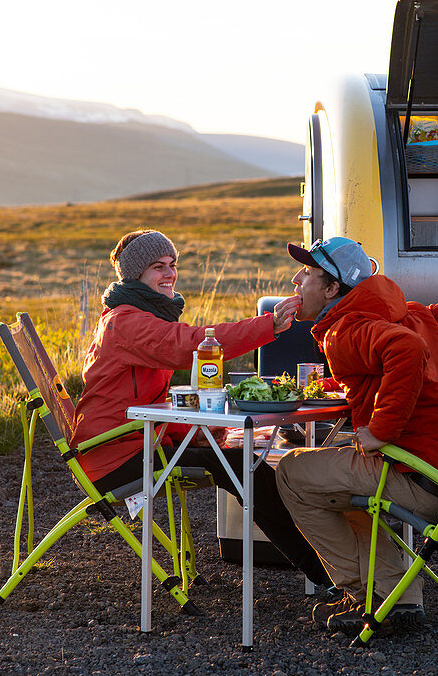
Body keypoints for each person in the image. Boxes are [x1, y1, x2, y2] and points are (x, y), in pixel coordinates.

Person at [72, 229, 332, 589]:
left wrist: (203, 435)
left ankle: (327, 568)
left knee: (237, 457)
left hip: (131, 443)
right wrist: (267, 325)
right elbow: (193, 345)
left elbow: (154, 400)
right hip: (116, 457)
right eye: (157, 267)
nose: (169, 274)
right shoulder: (127, 322)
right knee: (243, 467)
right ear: (135, 275)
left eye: (172, 264)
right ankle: (327, 573)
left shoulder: (138, 316)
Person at [274, 237, 438, 635]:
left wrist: (381, 430)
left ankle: (367, 596)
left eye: (307, 273)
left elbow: (405, 350)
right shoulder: (411, 311)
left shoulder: (345, 329)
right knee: (336, 480)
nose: (295, 279)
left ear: (332, 290)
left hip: (428, 481)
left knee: (293, 473)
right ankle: (398, 595)